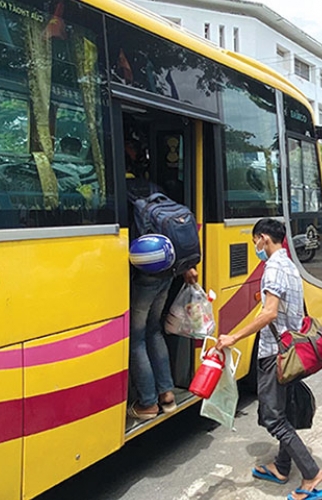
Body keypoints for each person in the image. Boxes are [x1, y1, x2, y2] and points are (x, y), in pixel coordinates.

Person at [216, 219, 322, 500]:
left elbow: (269, 313)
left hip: (275, 353)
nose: (255, 246)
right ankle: (280, 467)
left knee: (273, 417)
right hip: (290, 352)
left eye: (255, 240)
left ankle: (311, 473)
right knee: (284, 411)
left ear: (264, 238)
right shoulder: (290, 265)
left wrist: (233, 337)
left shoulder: (273, 268)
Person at [126, 160, 198, 421]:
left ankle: (147, 403)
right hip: (167, 272)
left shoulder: (122, 192)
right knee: (153, 330)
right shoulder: (151, 188)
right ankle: (166, 394)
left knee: (136, 338)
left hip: (145, 276)